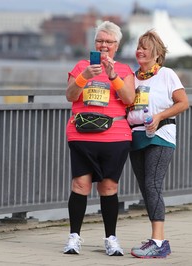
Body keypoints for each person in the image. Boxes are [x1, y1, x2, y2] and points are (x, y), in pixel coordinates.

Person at [63, 21, 135, 256]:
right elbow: (70, 95)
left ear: (117, 45)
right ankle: (74, 238)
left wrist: (113, 75)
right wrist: (84, 76)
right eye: (100, 41)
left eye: (109, 41)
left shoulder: (124, 70)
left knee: (109, 186)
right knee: (80, 185)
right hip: (82, 135)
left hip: (115, 136)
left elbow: (129, 99)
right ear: (94, 43)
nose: (103, 45)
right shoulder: (82, 66)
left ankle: (111, 239)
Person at [127, 29, 189, 259]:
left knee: (153, 184)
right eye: (139, 47)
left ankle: (159, 242)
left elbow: (183, 103)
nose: (140, 51)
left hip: (161, 136)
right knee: (146, 188)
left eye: (146, 48)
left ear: (156, 54)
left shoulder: (167, 74)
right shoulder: (131, 78)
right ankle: (156, 239)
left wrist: (160, 116)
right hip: (136, 137)